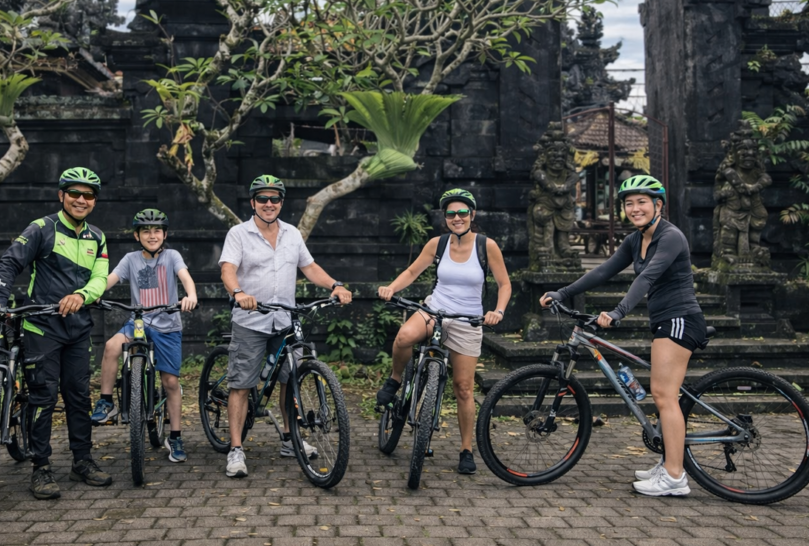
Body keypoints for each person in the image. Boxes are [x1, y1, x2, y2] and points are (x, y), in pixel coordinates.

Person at [540, 174, 706, 497]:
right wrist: (562, 292)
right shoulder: (634, 240)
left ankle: (674, 477)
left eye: (642, 202)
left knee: (663, 395)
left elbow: (646, 280)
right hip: (664, 322)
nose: (634, 208)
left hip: (680, 320)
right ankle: (670, 462)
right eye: (629, 203)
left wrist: (618, 312)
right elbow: (603, 271)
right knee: (662, 394)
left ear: (658, 205)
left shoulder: (671, 237)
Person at [218, 174, 353, 478]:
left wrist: (335, 284)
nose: (269, 204)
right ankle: (236, 449)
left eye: (274, 199)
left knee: (288, 380)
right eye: (263, 199)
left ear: (281, 203)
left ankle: (291, 439)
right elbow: (227, 269)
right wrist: (238, 293)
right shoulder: (239, 234)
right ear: (253, 203)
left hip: (285, 321)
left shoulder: (292, 234)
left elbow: (309, 267)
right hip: (251, 321)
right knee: (241, 385)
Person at [0, 167, 112, 500]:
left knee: (77, 397)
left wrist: (81, 296)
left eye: (88, 195)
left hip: (78, 329)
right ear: (62, 196)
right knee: (43, 398)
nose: (81, 200)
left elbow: (100, 279)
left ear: (94, 201)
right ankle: (41, 468)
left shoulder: (96, 237)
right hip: (41, 327)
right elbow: (8, 263)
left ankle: (82, 461)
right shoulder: (42, 229)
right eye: (74, 193)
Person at [376, 188, 512, 475]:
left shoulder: (486, 246)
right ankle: (395, 379)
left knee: (463, 388)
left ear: (472, 215)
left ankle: (466, 449)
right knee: (403, 337)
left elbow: (504, 285)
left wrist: (497, 311)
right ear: (445, 218)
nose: (457, 217)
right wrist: (391, 287)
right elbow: (412, 272)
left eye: (463, 212)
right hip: (434, 310)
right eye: (451, 213)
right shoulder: (437, 244)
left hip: (468, 319)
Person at [90, 208, 198, 463]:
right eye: (146, 231)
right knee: (111, 346)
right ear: (137, 235)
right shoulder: (130, 259)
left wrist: (190, 295)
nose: (152, 235)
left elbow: (186, 277)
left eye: (157, 231)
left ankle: (175, 436)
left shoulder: (172, 256)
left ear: (165, 234)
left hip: (168, 326)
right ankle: (106, 402)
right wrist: (93, 293)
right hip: (138, 322)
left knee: (170, 382)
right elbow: (110, 279)